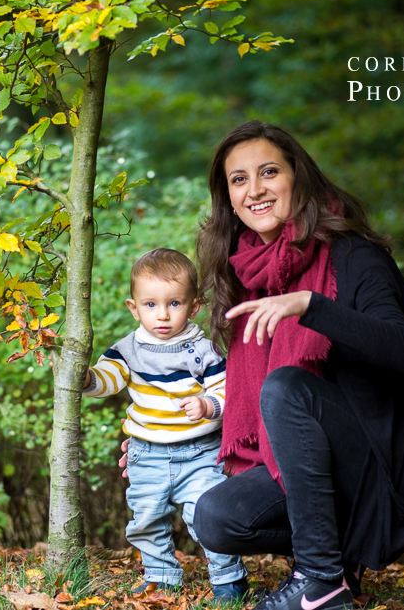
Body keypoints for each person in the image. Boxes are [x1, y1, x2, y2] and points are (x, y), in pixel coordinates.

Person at [179, 120, 404, 610]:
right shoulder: (245, 273)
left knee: (286, 388)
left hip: (383, 463)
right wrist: (155, 435)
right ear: (227, 197)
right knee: (216, 516)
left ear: (298, 176)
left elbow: (403, 350)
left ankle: (320, 581)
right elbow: (227, 389)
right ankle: (336, 567)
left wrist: (311, 306)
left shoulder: (352, 255)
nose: (255, 190)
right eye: (238, 179)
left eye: (269, 172)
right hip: (316, 468)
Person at [83, 248, 249, 601]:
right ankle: (161, 575)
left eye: (174, 304)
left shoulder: (203, 349)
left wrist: (208, 404)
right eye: (150, 305)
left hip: (199, 452)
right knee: (147, 518)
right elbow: (107, 380)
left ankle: (228, 578)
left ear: (194, 306)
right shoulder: (127, 350)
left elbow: (226, 389)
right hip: (147, 454)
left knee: (205, 515)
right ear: (134, 307)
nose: (162, 315)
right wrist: (85, 379)